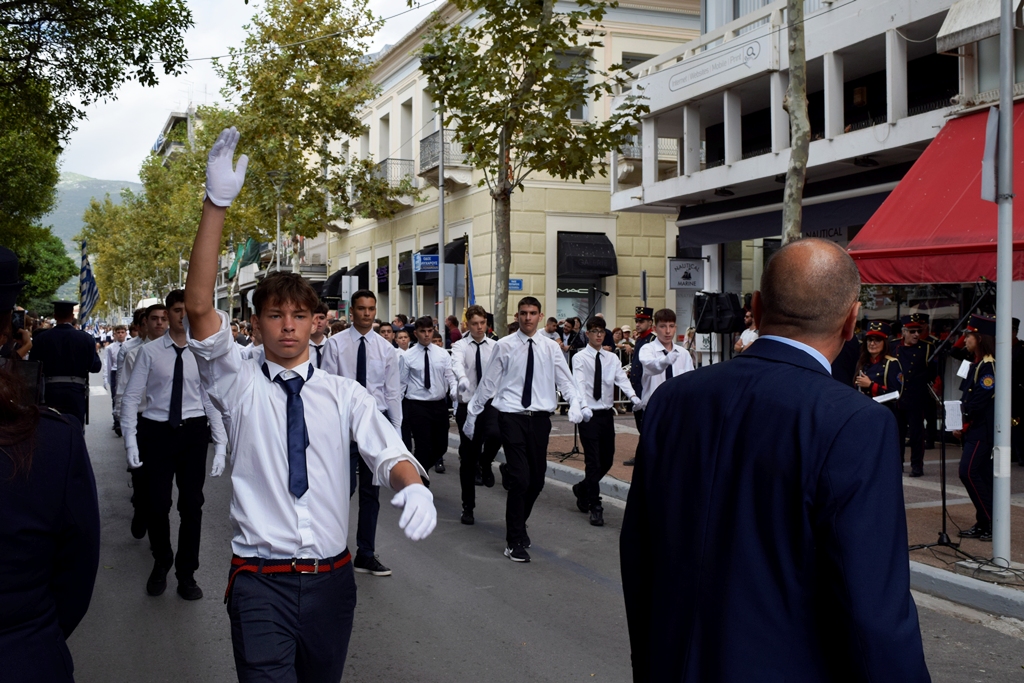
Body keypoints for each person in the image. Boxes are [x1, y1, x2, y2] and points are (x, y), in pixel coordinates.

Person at [185, 128, 435, 681]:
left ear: (316, 321)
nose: (289, 326)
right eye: (275, 315)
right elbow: (200, 307)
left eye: (299, 315)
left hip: (331, 581)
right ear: (256, 324)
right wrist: (216, 204)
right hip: (259, 581)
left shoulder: (343, 393)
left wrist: (411, 485)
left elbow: (384, 450)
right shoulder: (238, 381)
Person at [620, 238, 929, 682]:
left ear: (758, 307)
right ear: (851, 322)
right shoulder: (856, 422)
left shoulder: (674, 399)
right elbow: (873, 610)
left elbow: (639, 553)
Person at [0, 248, 101, 682]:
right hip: (23, 650)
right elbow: (75, 568)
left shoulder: (41, 341)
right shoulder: (53, 442)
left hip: (44, 394)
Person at [121, 289, 229, 600]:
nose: (183, 316)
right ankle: (162, 559)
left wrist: (220, 443)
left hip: (193, 433)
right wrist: (131, 442)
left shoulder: (203, 353)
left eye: (187, 310)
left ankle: (186, 573)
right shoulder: (150, 352)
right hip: (156, 432)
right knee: (157, 504)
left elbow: (211, 400)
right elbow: (130, 399)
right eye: (177, 310)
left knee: (192, 505)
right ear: (167, 313)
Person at [465, 296, 584, 562]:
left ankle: (519, 522)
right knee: (520, 479)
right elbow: (489, 382)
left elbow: (566, 380)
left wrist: (576, 401)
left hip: (540, 419)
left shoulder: (551, 348)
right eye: (523, 313)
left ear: (540, 317)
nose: (527, 318)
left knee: (537, 480)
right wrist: (473, 412)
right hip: (512, 416)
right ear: (517, 316)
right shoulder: (504, 346)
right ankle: (514, 540)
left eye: (532, 313)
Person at [322, 289, 404, 578]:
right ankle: (331, 549)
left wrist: (395, 433)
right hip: (343, 424)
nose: (367, 313)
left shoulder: (386, 349)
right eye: (361, 308)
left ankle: (365, 554)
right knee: (340, 489)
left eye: (371, 308)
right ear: (352, 311)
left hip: (374, 423)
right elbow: (327, 389)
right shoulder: (334, 346)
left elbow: (392, 393)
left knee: (371, 493)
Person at [571, 316, 640, 526]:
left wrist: (634, 397)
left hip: (605, 414)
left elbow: (620, 378)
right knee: (592, 461)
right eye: (594, 331)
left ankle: (583, 488)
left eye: (601, 331)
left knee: (607, 459)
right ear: (587, 334)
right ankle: (595, 504)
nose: (599, 335)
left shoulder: (611, 359)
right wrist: (583, 406)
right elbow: (579, 383)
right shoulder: (580, 357)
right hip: (588, 414)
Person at [451, 305, 502, 524]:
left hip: (490, 403)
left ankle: (487, 461)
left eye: (482, 323)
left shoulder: (496, 346)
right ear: (467, 325)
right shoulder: (460, 345)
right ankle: (468, 506)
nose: (479, 327)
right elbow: (457, 363)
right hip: (468, 404)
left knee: (495, 434)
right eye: (475, 324)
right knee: (468, 457)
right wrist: (462, 379)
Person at [954, 315, 997, 541]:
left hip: (982, 430)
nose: (965, 338)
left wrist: (963, 422)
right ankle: (984, 522)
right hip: (974, 428)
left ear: (979, 337)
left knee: (968, 471)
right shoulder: (977, 363)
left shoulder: (988, 366)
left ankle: (990, 521)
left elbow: (979, 401)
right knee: (977, 473)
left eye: (969, 335)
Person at [29, 299, 102, 427]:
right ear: (72, 316)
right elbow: (95, 367)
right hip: (76, 391)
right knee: (76, 429)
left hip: (50, 392)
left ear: (55, 315)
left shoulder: (41, 338)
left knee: (52, 428)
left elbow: (32, 367)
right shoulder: (85, 338)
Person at [400, 315, 457, 474]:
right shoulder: (407, 356)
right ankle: (420, 484)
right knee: (423, 447)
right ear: (416, 333)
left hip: (439, 405)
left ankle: (416, 472)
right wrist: (396, 411)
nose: (426, 335)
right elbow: (401, 384)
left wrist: (454, 390)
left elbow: (450, 376)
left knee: (441, 446)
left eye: (429, 331)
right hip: (417, 406)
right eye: (422, 331)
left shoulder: (442, 354)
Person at [891, 313, 933, 477]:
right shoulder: (893, 346)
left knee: (916, 435)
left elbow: (932, 371)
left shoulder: (927, 347)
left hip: (916, 397)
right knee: (897, 435)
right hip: (897, 397)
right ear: (904, 332)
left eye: (918, 331)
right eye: (912, 331)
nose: (916, 334)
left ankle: (917, 465)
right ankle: (898, 464)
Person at [636, 308, 694, 415]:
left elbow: (689, 381)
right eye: (662, 326)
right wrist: (665, 361)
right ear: (655, 328)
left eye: (671, 326)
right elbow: (652, 366)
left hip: (677, 408)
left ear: (675, 328)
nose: (668, 331)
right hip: (654, 409)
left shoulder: (683, 353)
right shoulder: (647, 349)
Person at [854, 321, 903, 425]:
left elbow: (895, 394)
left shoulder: (891, 363)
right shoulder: (862, 362)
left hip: (883, 413)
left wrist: (871, 385)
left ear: (884, 343)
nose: (872, 344)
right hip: (864, 412)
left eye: (877, 340)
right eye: (870, 340)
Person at [624, 307, 654, 466]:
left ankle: (644, 455)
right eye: (636, 321)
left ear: (650, 322)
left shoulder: (652, 339)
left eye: (641, 321)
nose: (637, 324)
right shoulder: (640, 339)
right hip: (636, 386)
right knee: (640, 423)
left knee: (646, 424)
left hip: (646, 387)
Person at [105, 324, 128, 433]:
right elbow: (108, 364)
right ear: (114, 335)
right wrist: (107, 379)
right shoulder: (110, 348)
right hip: (115, 372)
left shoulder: (129, 346)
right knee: (115, 396)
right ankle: (117, 421)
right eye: (118, 332)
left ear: (126, 333)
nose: (120, 334)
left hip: (127, 372)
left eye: (122, 332)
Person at [309, 301, 329, 368]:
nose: (318, 321)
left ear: (326, 321)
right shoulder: (300, 347)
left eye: (322, 318)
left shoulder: (332, 346)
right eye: (314, 318)